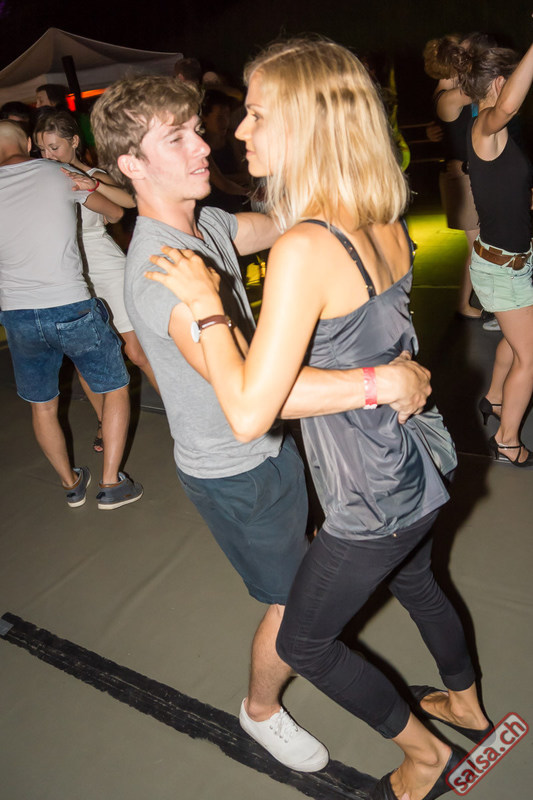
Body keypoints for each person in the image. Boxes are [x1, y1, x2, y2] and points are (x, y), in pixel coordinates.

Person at [145, 40, 492, 800]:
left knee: (305, 641)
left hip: (371, 490)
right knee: (418, 581)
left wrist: (207, 307)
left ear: (305, 125)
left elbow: (248, 410)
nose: (239, 131)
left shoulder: (305, 247)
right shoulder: (378, 214)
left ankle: (425, 757)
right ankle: (465, 700)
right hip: (418, 458)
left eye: (257, 115)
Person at [90, 73, 433, 773]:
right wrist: (381, 381)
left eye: (196, 130)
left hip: (275, 455)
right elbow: (257, 396)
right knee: (293, 608)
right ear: (132, 165)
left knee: (305, 577)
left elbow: (291, 222)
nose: (202, 146)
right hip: (235, 473)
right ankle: (261, 709)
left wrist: (326, 151)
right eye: (177, 138)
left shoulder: (208, 226)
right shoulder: (162, 274)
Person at [0, 120, 143, 509]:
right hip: (70, 302)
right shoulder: (55, 173)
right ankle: (111, 484)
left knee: (42, 405)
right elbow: (116, 212)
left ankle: (71, 483)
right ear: (27, 142)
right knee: (114, 386)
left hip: (17, 313)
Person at [33, 110, 159, 452]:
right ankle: (105, 420)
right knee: (85, 357)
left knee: (136, 351)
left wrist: (94, 185)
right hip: (69, 271)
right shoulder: (43, 180)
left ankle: (180, 410)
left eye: (55, 147)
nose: (49, 155)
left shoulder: (92, 174)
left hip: (105, 265)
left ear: (74, 141)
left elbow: (129, 202)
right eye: (42, 149)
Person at [452, 38, 533, 467]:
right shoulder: (485, 124)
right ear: (500, 83)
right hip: (503, 268)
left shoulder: (491, 132)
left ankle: (496, 398)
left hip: (509, 261)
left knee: (515, 340)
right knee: (530, 358)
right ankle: (507, 441)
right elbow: (508, 107)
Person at [423, 35, 482, 320]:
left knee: (479, 245)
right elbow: (486, 86)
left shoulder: (448, 93)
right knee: (476, 247)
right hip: (461, 177)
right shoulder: (449, 97)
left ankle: (472, 300)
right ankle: (463, 303)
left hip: (463, 174)